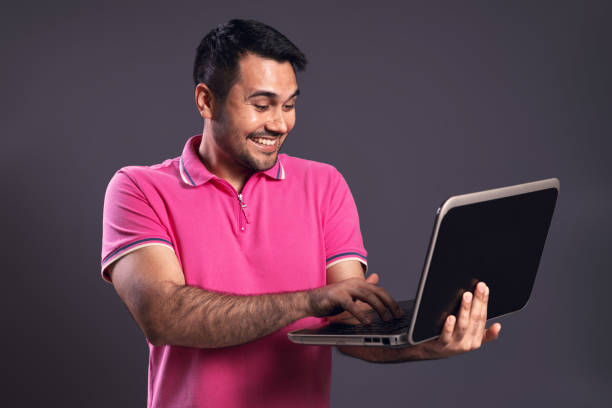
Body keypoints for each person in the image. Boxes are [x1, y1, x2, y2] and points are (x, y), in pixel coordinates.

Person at [101, 19, 502, 408]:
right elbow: (164, 315)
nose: (279, 123)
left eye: (289, 105)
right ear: (206, 100)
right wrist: (309, 301)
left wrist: (420, 343)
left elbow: (347, 328)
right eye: (261, 105)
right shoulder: (138, 188)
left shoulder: (325, 184)